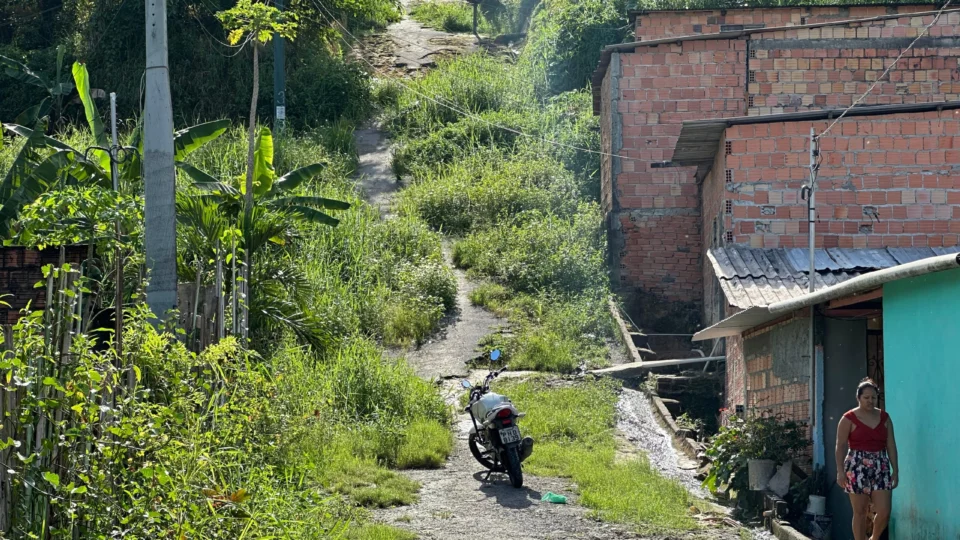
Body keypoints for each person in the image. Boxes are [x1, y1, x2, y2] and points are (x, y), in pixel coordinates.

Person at [834, 378, 899, 540]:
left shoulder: (885, 418)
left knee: (884, 511)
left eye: (874, 397)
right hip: (856, 465)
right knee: (860, 511)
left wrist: (895, 470)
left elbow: (891, 445)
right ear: (859, 398)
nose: (870, 401)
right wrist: (840, 471)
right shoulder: (848, 418)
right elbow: (840, 445)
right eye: (866, 397)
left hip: (880, 465)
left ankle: (874, 538)